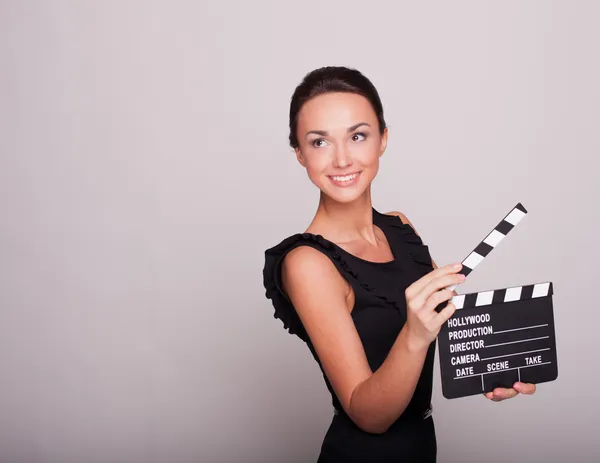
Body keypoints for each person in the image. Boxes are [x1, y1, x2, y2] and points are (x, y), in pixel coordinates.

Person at [262, 66, 536, 462]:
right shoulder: (308, 263)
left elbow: (444, 326)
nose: (341, 159)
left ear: (383, 140)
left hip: (422, 447)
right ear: (300, 154)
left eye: (357, 136)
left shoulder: (400, 228)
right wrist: (414, 333)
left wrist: (494, 367)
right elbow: (368, 414)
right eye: (320, 142)